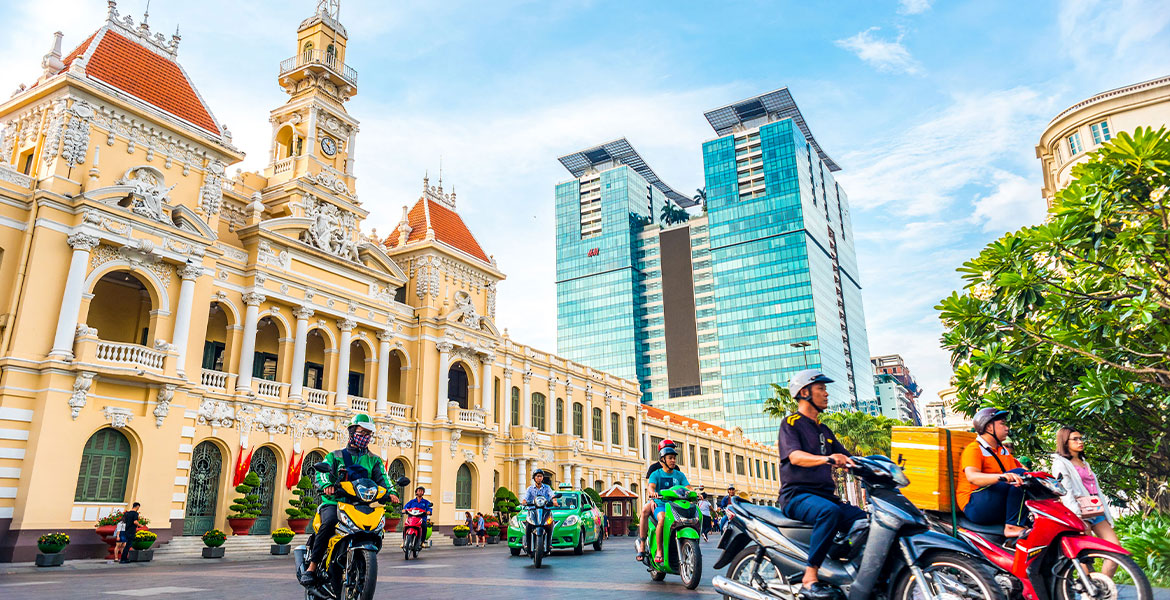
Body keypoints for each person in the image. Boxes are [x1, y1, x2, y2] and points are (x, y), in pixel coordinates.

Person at [777, 369, 867, 600]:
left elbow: (849, 459)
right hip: (796, 495)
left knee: (865, 522)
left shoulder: (824, 430)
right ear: (805, 392)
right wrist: (827, 459)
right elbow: (795, 456)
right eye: (821, 389)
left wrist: (877, 468)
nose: (826, 394)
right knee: (829, 512)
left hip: (825, 496)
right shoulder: (791, 423)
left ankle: (845, 570)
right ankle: (810, 577)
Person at [301, 414, 398, 586]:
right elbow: (322, 473)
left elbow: (383, 478)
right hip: (334, 502)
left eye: (369, 434)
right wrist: (326, 485)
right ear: (352, 432)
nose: (365, 437)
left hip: (360, 506)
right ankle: (312, 567)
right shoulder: (335, 456)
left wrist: (391, 492)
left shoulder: (374, 460)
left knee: (374, 529)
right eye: (362, 432)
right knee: (329, 522)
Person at [1050, 427, 1120, 577]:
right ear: (1065, 442)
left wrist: (1107, 515)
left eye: (1081, 438)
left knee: (1115, 549)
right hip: (1079, 513)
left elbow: (1097, 490)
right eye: (1075, 439)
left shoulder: (1084, 462)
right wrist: (1077, 516)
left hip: (1095, 510)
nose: (1080, 442)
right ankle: (1090, 590)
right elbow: (1065, 491)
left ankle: (1103, 586)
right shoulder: (1060, 463)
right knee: (1086, 557)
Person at [957, 408, 1026, 538]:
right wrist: (1002, 477)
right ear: (989, 427)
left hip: (994, 502)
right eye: (1003, 424)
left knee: (1026, 479)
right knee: (1019, 474)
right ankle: (1012, 526)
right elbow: (972, 477)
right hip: (974, 505)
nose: (1007, 428)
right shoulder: (974, 449)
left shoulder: (1003, 450)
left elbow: (1022, 474)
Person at [634, 439, 676, 560]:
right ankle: (642, 543)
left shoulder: (675, 468)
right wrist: (652, 499)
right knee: (644, 511)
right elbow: (650, 487)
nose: (672, 454)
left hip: (672, 502)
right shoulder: (654, 468)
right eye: (669, 448)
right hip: (656, 500)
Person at [647, 445, 689, 565]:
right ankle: (660, 551)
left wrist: (694, 493)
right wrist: (652, 493)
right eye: (670, 458)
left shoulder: (679, 475)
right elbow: (651, 486)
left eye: (674, 458)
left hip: (676, 505)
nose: (673, 461)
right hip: (661, 505)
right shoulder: (656, 474)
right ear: (663, 460)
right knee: (662, 518)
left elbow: (687, 486)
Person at [519, 468, 557, 553]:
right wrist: (524, 502)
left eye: (541, 476)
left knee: (551, 523)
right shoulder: (530, 489)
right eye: (537, 476)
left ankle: (549, 543)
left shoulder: (547, 488)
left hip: (545, 511)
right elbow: (526, 498)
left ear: (543, 478)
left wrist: (554, 501)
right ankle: (528, 544)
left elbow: (552, 495)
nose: (539, 478)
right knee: (528, 525)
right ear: (534, 478)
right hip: (533, 511)